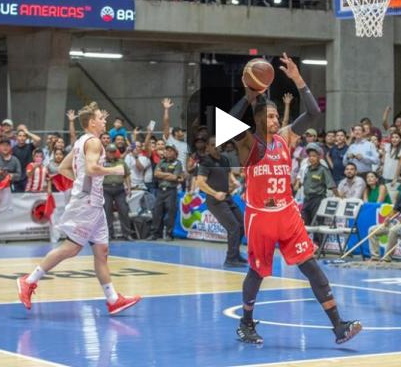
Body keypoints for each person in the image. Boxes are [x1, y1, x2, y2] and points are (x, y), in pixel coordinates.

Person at [230, 53, 361, 345]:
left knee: (311, 266)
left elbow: (313, 113)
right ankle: (246, 323)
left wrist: (298, 79)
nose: (276, 119)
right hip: (260, 216)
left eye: (277, 115)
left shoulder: (285, 138)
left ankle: (338, 326)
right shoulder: (247, 142)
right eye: (271, 116)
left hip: (287, 213)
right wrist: (250, 95)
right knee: (258, 271)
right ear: (258, 118)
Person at [17, 103, 141, 314]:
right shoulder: (93, 142)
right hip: (87, 204)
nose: (105, 120)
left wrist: (80, 180)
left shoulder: (81, 142)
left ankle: (113, 299)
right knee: (72, 248)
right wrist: (115, 170)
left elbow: (63, 168)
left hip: (95, 204)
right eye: (101, 118)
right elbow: (91, 169)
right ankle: (28, 281)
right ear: (92, 122)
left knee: (101, 251)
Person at [195, 135, 246, 267]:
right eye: (212, 145)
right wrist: (215, 193)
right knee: (233, 227)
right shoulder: (206, 162)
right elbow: (200, 182)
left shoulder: (224, 159)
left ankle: (235, 254)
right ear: (208, 147)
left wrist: (234, 181)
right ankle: (230, 259)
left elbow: (229, 173)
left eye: (217, 144)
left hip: (227, 197)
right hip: (215, 201)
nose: (216, 147)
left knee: (242, 224)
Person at [147, 144, 183, 240]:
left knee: (171, 213)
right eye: (167, 150)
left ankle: (169, 234)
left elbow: (174, 177)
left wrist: (162, 174)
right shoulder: (161, 162)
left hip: (171, 191)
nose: (168, 152)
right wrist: (168, 174)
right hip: (160, 190)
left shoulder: (178, 163)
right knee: (157, 212)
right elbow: (156, 174)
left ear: (175, 153)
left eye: (171, 150)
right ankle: (155, 233)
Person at [298, 142, 338, 225]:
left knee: (317, 224)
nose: (311, 158)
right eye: (310, 156)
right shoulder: (307, 169)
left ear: (319, 157)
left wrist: (339, 197)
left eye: (314, 156)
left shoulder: (323, 169)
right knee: (304, 223)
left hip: (318, 200)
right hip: (307, 199)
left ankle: (317, 234)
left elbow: (332, 185)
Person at [102, 143, 133, 240]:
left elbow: (127, 175)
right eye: (109, 152)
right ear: (106, 152)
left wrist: (129, 187)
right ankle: (108, 234)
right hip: (106, 189)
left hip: (119, 189)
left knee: (124, 211)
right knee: (107, 212)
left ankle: (127, 234)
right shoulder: (101, 162)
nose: (111, 154)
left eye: (113, 152)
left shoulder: (121, 162)